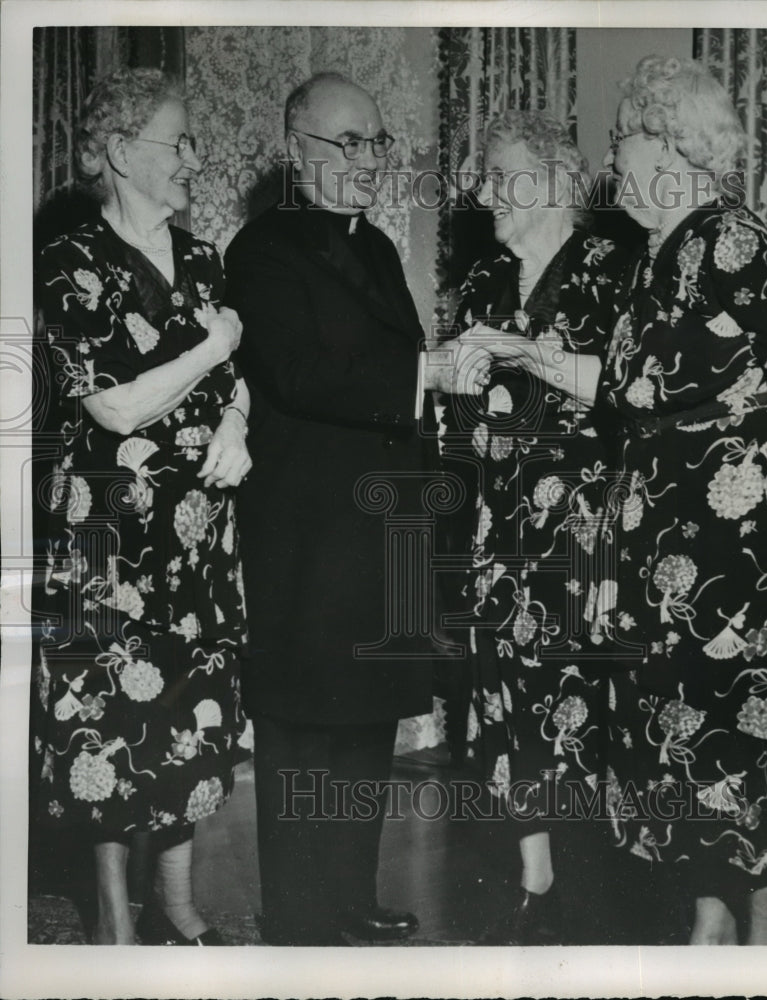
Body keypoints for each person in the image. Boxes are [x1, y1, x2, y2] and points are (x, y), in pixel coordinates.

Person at [464, 55, 767, 944]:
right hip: (666, 573)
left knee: (752, 746)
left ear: (671, 144)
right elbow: (622, 390)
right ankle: (709, 929)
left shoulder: (727, 240)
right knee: (692, 747)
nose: (613, 160)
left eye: (624, 138)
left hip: (736, 563)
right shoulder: (660, 258)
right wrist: (520, 352)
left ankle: (757, 951)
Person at [223, 71, 485, 947]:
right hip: (307, 536)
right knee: (303, 727)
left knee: (368, 719)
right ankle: (297, 916)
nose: (371, 159)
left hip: (378, 531)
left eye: (378, 142)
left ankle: (349, 896)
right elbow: (297, 373)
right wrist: (428, 373)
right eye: (350, 141)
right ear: (296, 149)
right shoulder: (261, 251)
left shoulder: (371, 247)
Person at [33, 67, 252, 945]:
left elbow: (237, 381)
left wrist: (237, 424)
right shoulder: (69, 264)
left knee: (191, 715)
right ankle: (116, 920)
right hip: (109, 533)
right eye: (179, 142)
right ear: (122, 154)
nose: (195, 158)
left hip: (197, 531)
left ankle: (180, 903)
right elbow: (114, 407)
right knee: (107, 723)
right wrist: (213, 350)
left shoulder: (201, 258)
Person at [440, 110, 630, 944]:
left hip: (592, 533)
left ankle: (602, 888)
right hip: (501, 532)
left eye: (499, 175)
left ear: (554, 179)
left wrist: (519, 354)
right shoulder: (483, 283)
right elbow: (458, 418)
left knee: (592, 706)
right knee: (508, 704)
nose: (484, 194)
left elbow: (632, 394)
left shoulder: (617, 271)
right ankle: (535, 878)